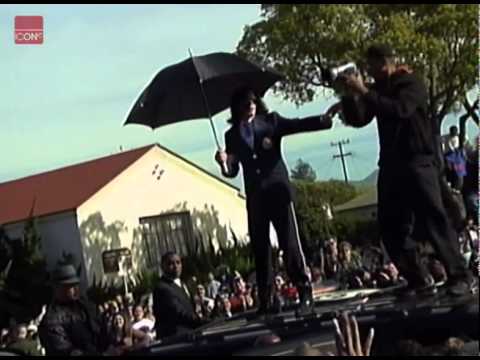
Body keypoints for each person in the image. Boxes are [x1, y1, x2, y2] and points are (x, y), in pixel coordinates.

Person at [338, 43, 474, 296]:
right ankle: (416, 277)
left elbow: (399, 110)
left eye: (374, 64)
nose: (371, 70)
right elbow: (359, 118)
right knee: (391, 226)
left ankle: (459, 274)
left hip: (418, 161)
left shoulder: (411, 84)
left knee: (434, 219)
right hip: (391, 163)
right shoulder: (376, 89)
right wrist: (348, 95)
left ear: (386, 62)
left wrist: (364, 91)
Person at [214, 86, 339, 315]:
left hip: (278, 192)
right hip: (255, 197)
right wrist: (223, 162)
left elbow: (297, 125)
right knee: (261, 249)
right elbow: (232, 171)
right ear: (237, 108)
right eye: (245, 102)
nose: (250, 105)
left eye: (253, 101)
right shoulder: (231, 136)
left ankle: (304, 292)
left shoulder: (271, 122)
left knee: (289, 244)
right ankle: (267, 300)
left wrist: (324, 119)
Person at [38, 264, 106, 356]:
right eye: (70, 286)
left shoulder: (86, 306)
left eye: (76, 284)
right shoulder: (52, 319)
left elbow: (102, 330)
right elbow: (64, 349)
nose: (76, 289)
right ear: (58, 288)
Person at [152, 252, 205, 339]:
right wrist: (201, 321)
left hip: (191, 334)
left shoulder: (184, 284)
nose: (176, 266)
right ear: (163, 267)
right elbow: (178, 312)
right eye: (170, 263)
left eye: (178, 262)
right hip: (175, 338)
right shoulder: (162, 288)